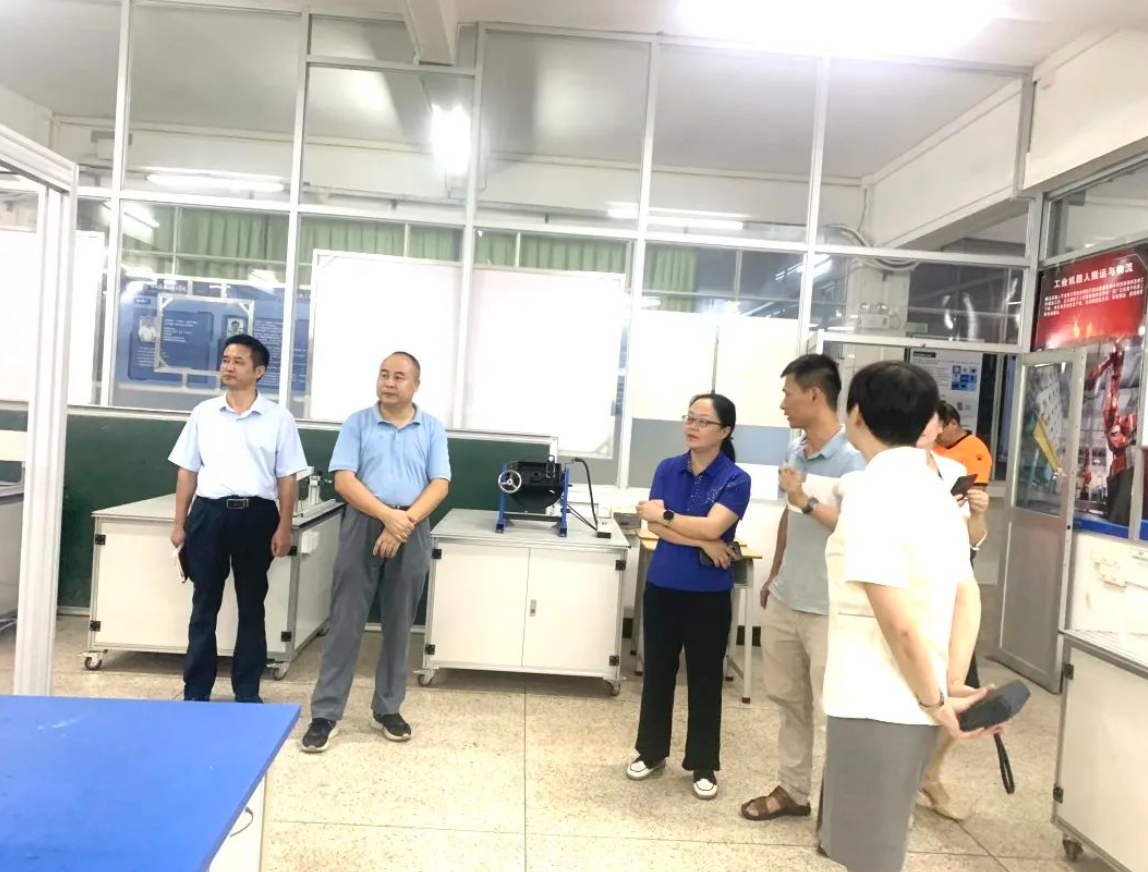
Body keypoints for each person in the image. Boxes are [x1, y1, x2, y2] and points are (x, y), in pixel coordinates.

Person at [818, 361, 996, 872]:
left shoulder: (872, 494)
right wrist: (950, 680)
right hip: (915, 697)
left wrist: (936, 698)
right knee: (880, 847)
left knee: (866, 855)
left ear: (855, 415)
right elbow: (966, 591)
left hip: (875, 702)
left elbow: (896, 620)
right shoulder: (936, 489)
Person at [302, 351, 451, 752]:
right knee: (346, 621)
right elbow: (344, 481)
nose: (389, 382)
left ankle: (388, 708)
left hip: (412, 527)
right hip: (364, 524)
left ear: (415, 385)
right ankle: (326, 713)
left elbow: (439, 483)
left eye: (399, 376)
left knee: (400, 624)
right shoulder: (358, 423)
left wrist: (403, 523)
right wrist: (388, 517)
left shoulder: (431, 428)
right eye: (384, 374)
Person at [741, 354, 865, 823]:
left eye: (788, 394)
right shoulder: (797, 451)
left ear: (815, 395)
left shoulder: (855, 458)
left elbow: (859, 528)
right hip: (788, 596)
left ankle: (841, 812)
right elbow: (790, 517)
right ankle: (793, 790)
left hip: (831, 607)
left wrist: (805, 499)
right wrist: (776, 572)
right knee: (788, 702)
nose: (782, 404)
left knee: (836, 712)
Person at [169, 334, 308, 703]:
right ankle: (196, 690)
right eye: (225, 360)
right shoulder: (204, 413)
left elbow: (288, 477)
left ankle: (247, 691)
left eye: (238, 361)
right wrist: (179, 523)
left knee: (251, 604)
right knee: (204, 604)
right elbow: (187, 471)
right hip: (208, 515)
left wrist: (284, 526)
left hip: (257, 517)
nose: (228, 367)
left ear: (259, 371)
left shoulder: (279, 419)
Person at [629, 393, 751, 801]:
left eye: (703, 421)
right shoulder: (668, 468)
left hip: (708, 594)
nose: (693, 427)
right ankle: (650, 752)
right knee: (658, 673)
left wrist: (669, 517)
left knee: (705, 678)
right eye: (690, 418)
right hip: (663, 585)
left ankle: (703, 763)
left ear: (725, 431)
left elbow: (709, 525)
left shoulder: (735, 479)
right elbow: (657, 529)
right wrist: (703, 540)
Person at [916, 408, 991, 822]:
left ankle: (930, 772)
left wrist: (977, 513)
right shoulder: (885, 473)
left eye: (931, 422)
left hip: (953, 600)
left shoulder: (955, 469)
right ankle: (905, 780)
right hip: (910, 601)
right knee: (912, 690)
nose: (927, 429)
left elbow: (974, 541)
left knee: (959, 691)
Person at [934, 401, 992, 485]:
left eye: (938, 429)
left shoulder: (975, 450)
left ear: (953, 424)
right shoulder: (928, 443)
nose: (935, 434)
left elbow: (976, 489)